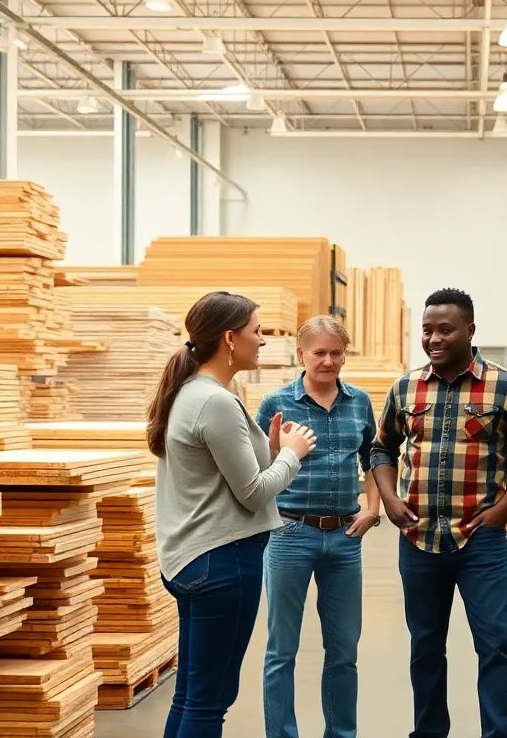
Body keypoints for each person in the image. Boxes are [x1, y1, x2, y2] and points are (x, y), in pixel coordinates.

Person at [148, 291, 318, 738]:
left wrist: (271, 449)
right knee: (210, 702)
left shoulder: (192, 392)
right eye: (256, 331)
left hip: (194, 559)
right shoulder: (215, 402)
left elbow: (222, 475)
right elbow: (253, 493)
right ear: (229, 338)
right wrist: (293, 455)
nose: (263, 340)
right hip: (223, 561)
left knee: (190, 696)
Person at [370, 288, 507, 738]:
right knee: (425, 647)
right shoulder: (405, 387)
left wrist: (505, 507)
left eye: (445, 329)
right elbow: (381, 448)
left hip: (481, 541)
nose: (434, 339)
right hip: (418, 539)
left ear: (470, 331)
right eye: (427, 330)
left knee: (496, 645)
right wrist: (389, 498)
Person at [256, 316, 380, 738]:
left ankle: (341, 733)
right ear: (301, 355)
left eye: (336, 353)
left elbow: (373, 457)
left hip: (345, 537)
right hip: (290, 534)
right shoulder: (276, 403)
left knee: (344, 651)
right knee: (281, 651)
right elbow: (255, 467)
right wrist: (274, 449)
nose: (328, 361)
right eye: (319, 353)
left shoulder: (359, 402)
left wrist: (373, 508)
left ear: (345, 355)